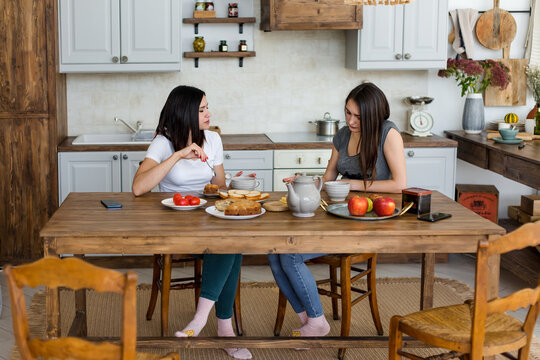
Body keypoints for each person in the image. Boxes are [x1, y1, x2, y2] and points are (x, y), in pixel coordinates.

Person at [268, 82, 407, 339]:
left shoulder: (388, 134)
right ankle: (311, 321)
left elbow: (399, 184)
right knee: (274, 250)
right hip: (338, 217)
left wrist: (351, 184)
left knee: (290, 256)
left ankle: (315, 322)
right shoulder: (342, 135)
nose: (351, 121)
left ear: (374, 115)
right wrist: (303, 181)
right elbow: (327, 179)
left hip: (370, 223)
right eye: (347, 112)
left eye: (358, 116)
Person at [132, 85, 252, 360]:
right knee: (229, 246)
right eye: (202, 109)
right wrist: (178, 155)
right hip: (173, 225)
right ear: (186, 113)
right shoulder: (163, 142)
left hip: (207, 220)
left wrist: (230, 183)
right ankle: (222, 328)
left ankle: (204, 323)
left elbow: (219, 188)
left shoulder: (213, 140)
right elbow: (138, 188)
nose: (209, 113)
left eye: (208, 107)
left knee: (232, 241)